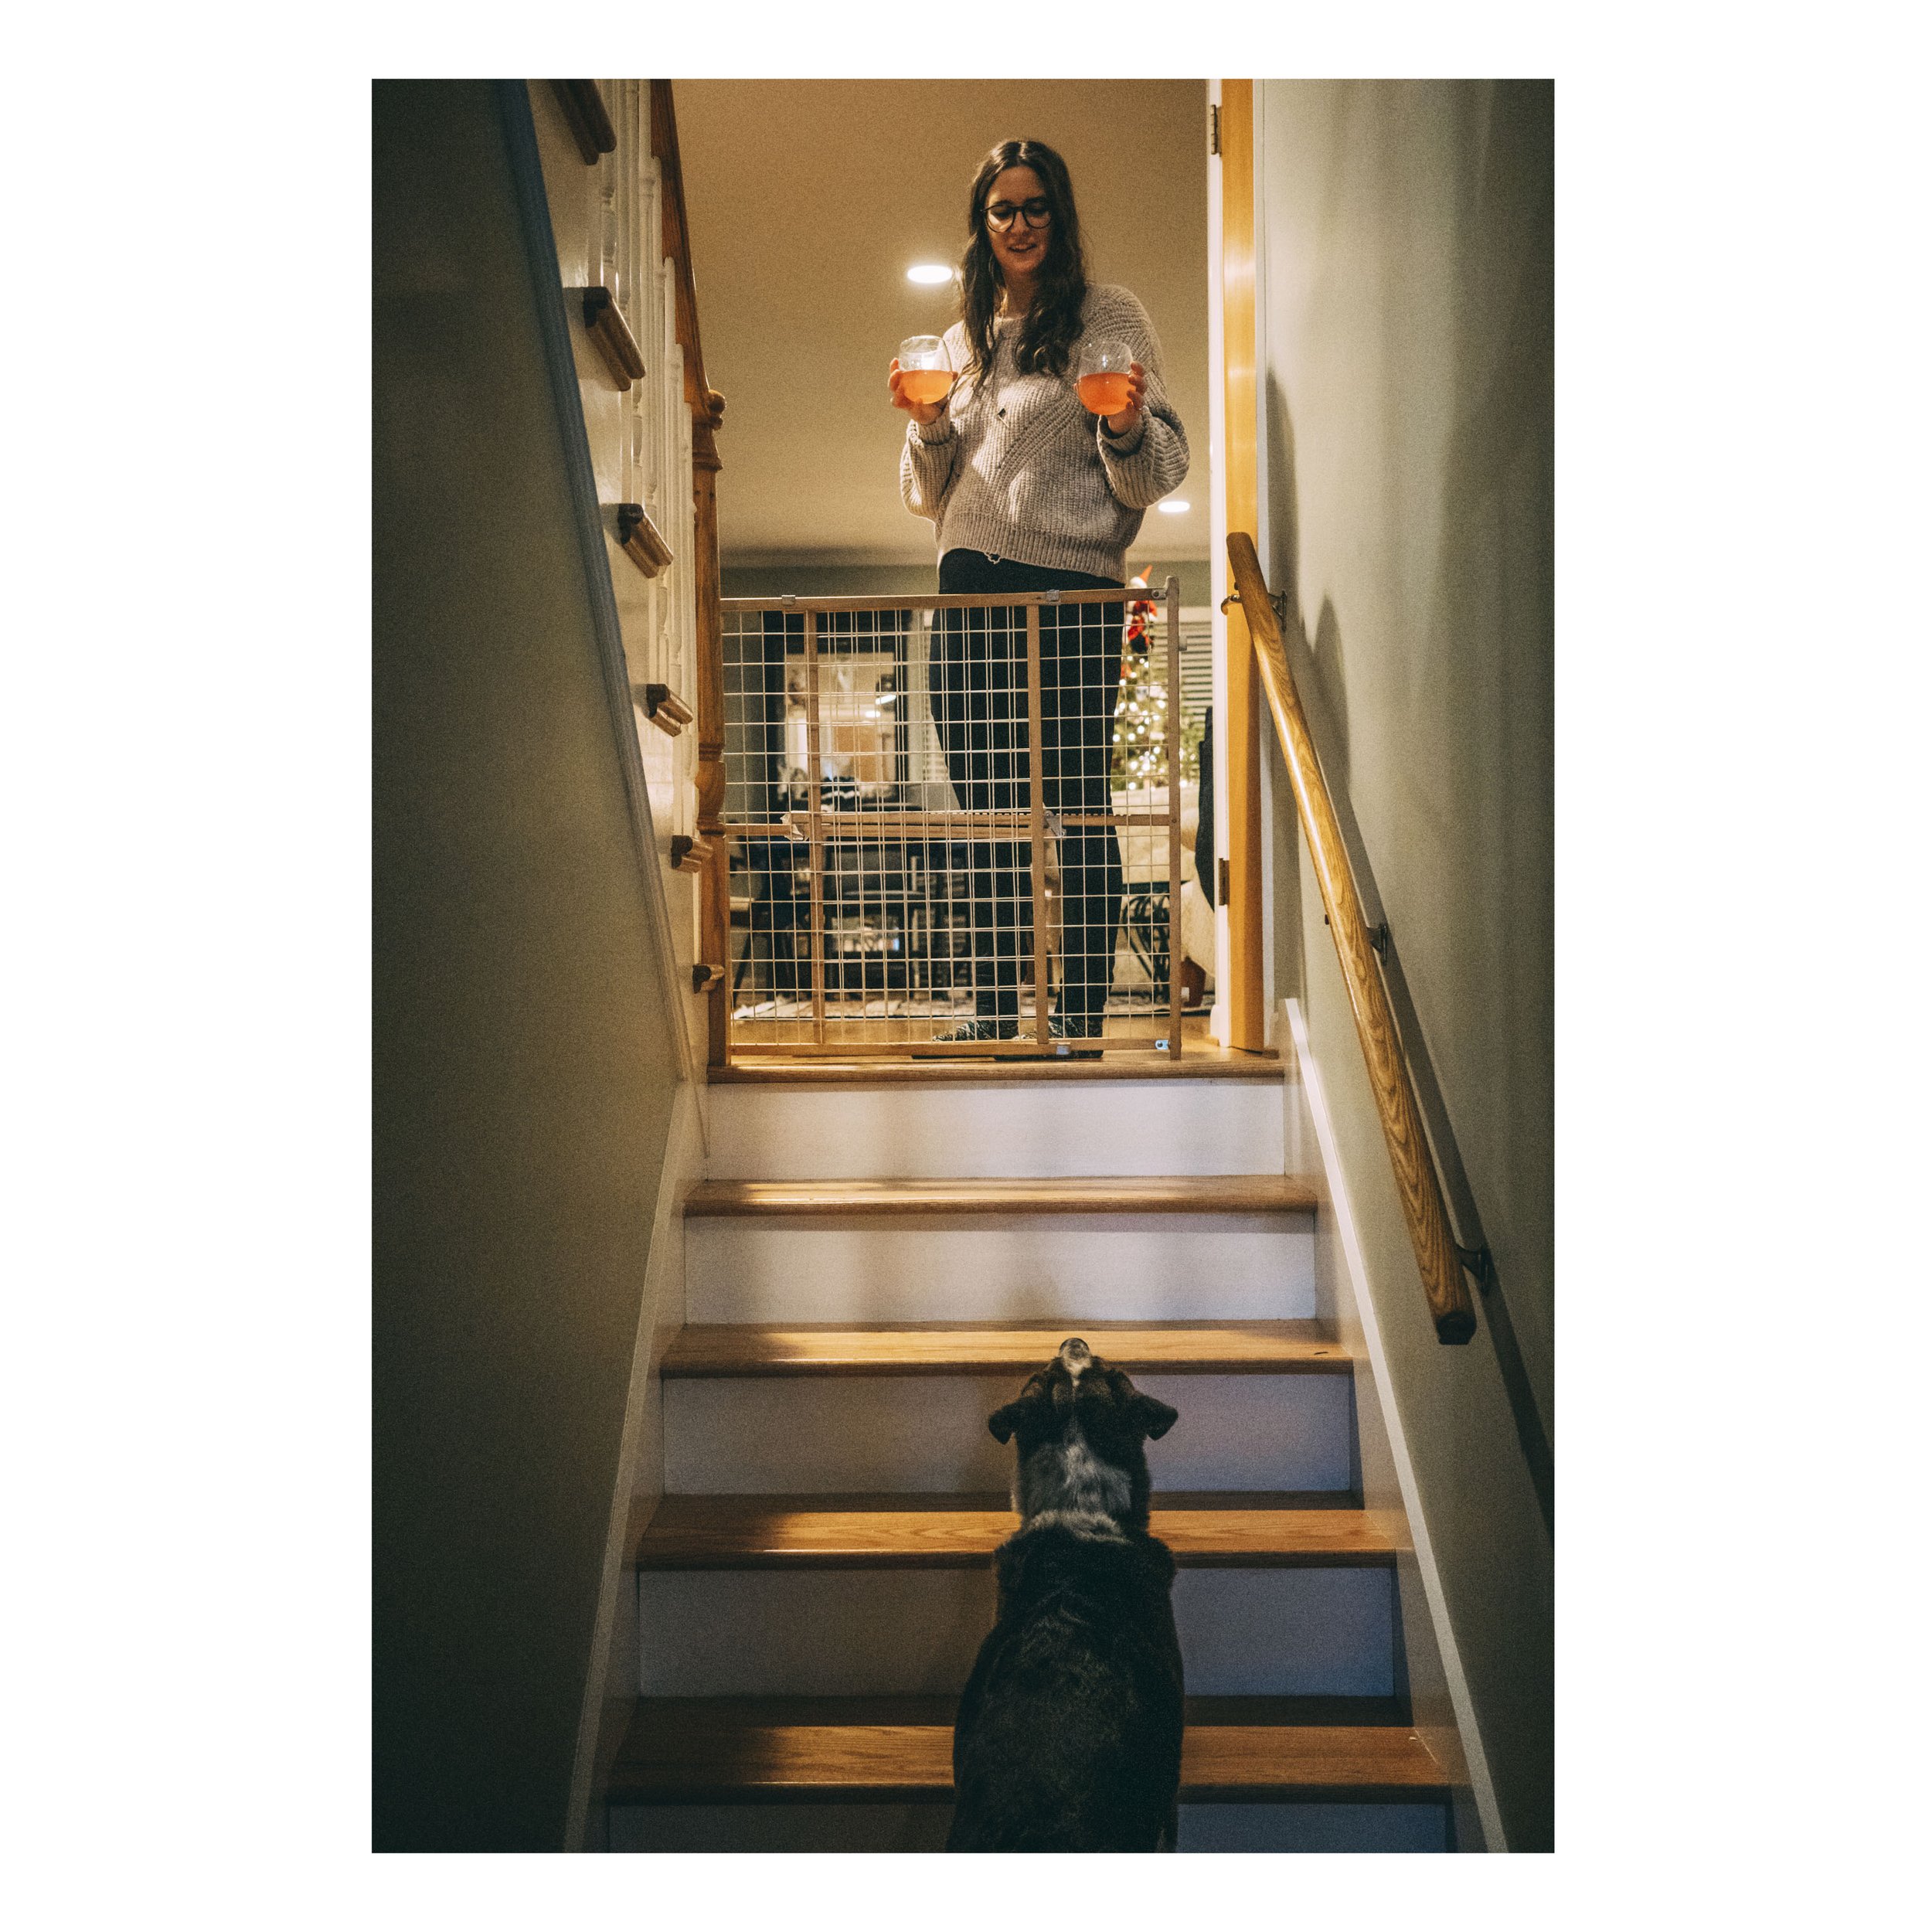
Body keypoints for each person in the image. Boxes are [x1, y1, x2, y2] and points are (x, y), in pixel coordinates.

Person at [890, 138, 1189, 1045]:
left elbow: (1158, 472)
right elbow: (925, 496)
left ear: (1058, 215)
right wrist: (928, 424)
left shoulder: (1109, 318)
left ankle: (1080, 1024)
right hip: (967, 591)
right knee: (987, 817)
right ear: (982, 225)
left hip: (1071, 592)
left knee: (1076, 809)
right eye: (1002, 210)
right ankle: (991, 1018)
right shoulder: (958, 343)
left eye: (1035, 206)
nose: (1019, 224)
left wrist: (1125, 422)